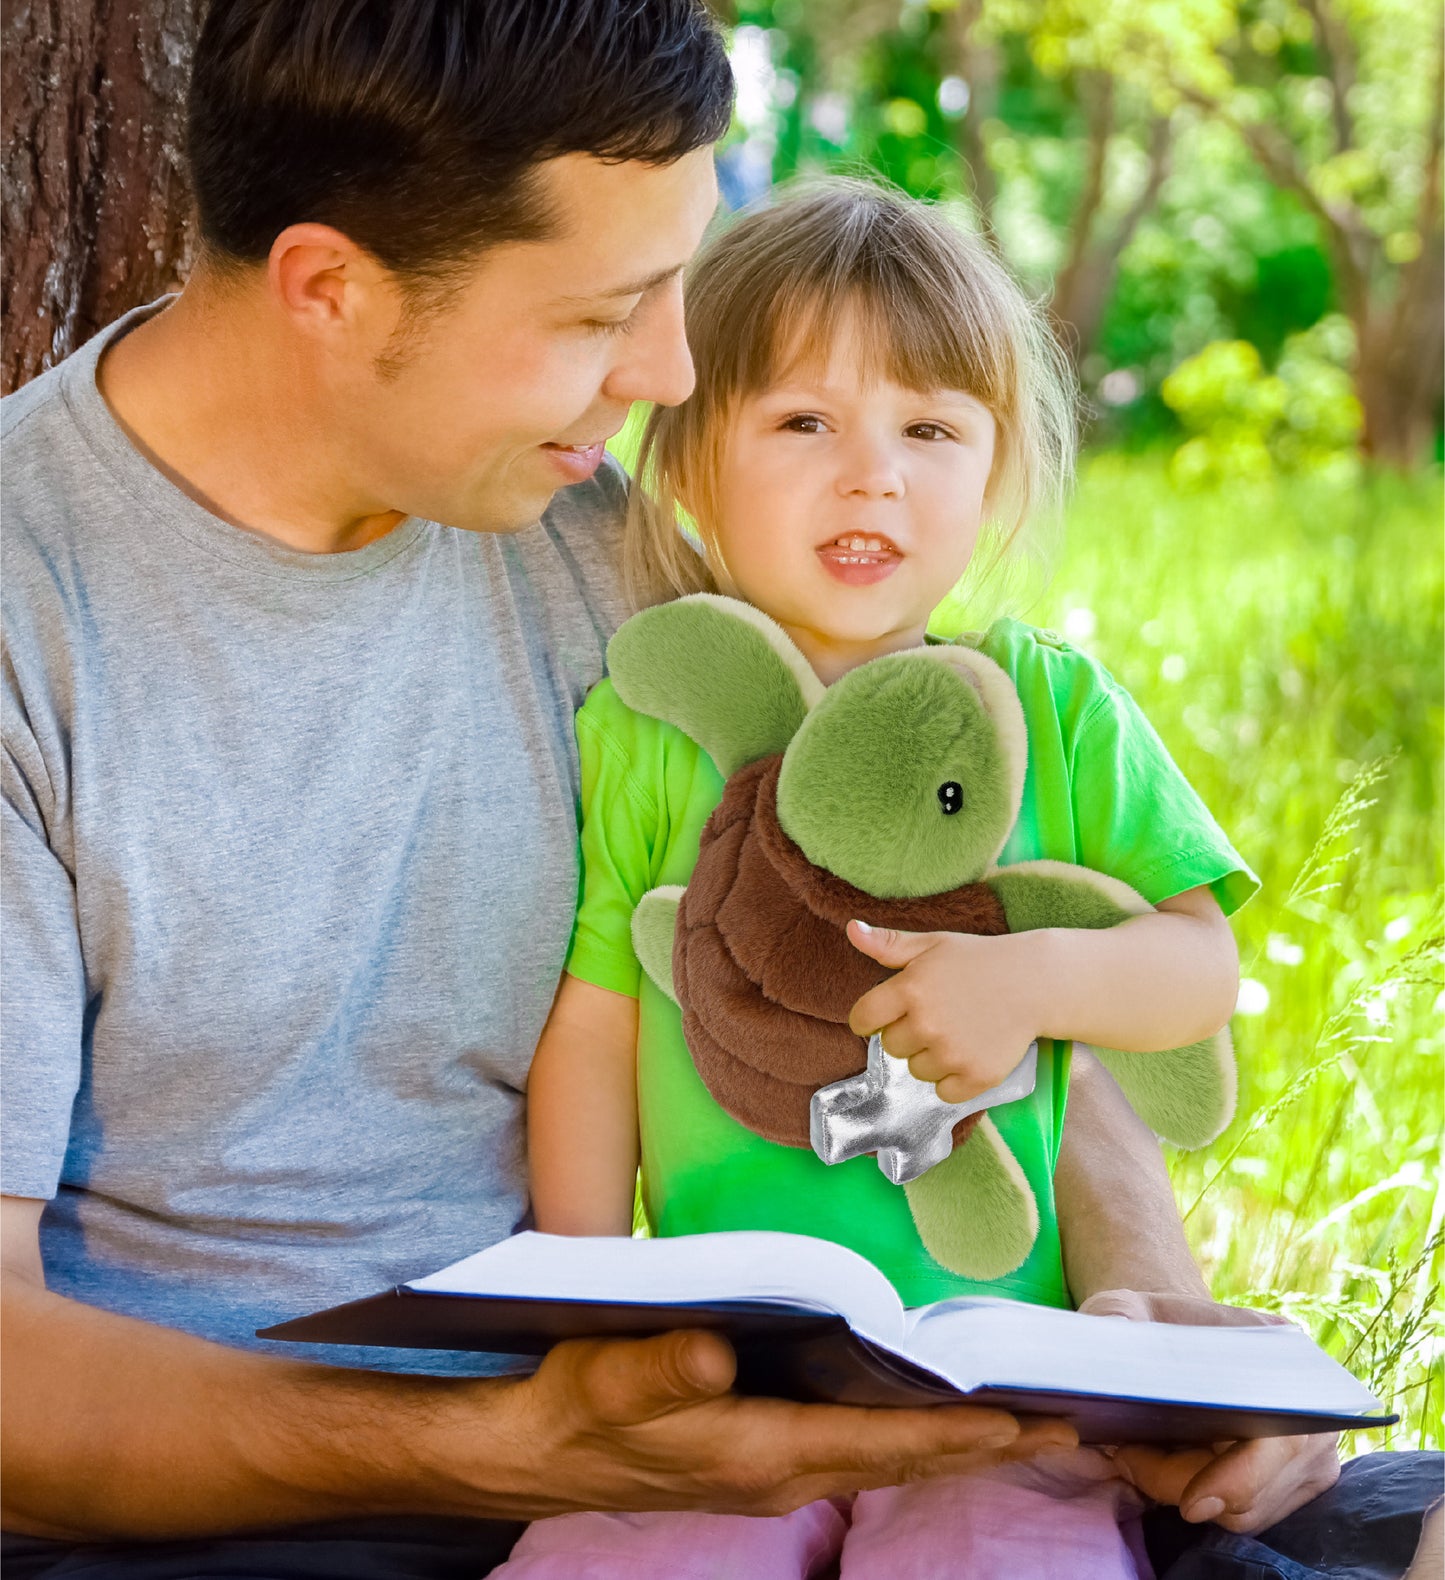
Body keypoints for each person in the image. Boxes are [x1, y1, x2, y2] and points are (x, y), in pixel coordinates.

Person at [0, 3, 1406, 1577]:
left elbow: (981, 953)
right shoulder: (27, 616)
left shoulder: (627, 565)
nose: (671, 371)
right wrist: (502, 1448)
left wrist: (1148, 1326)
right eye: (604, 313)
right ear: (332, 287)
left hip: (724, 1452)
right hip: (252, 1517)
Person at [505, 177, 1244, 1579]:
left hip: (1002, 1379)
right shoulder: (655, 727)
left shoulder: (1056, 712)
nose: (872, 476)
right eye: (803, 423)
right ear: (687, 461)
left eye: (930, 430)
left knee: (1001, 1558)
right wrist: (588, 1324)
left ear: (995, 470)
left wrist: (1034, 980)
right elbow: (597, 1023)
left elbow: (1197, 971)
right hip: (728, 1363)